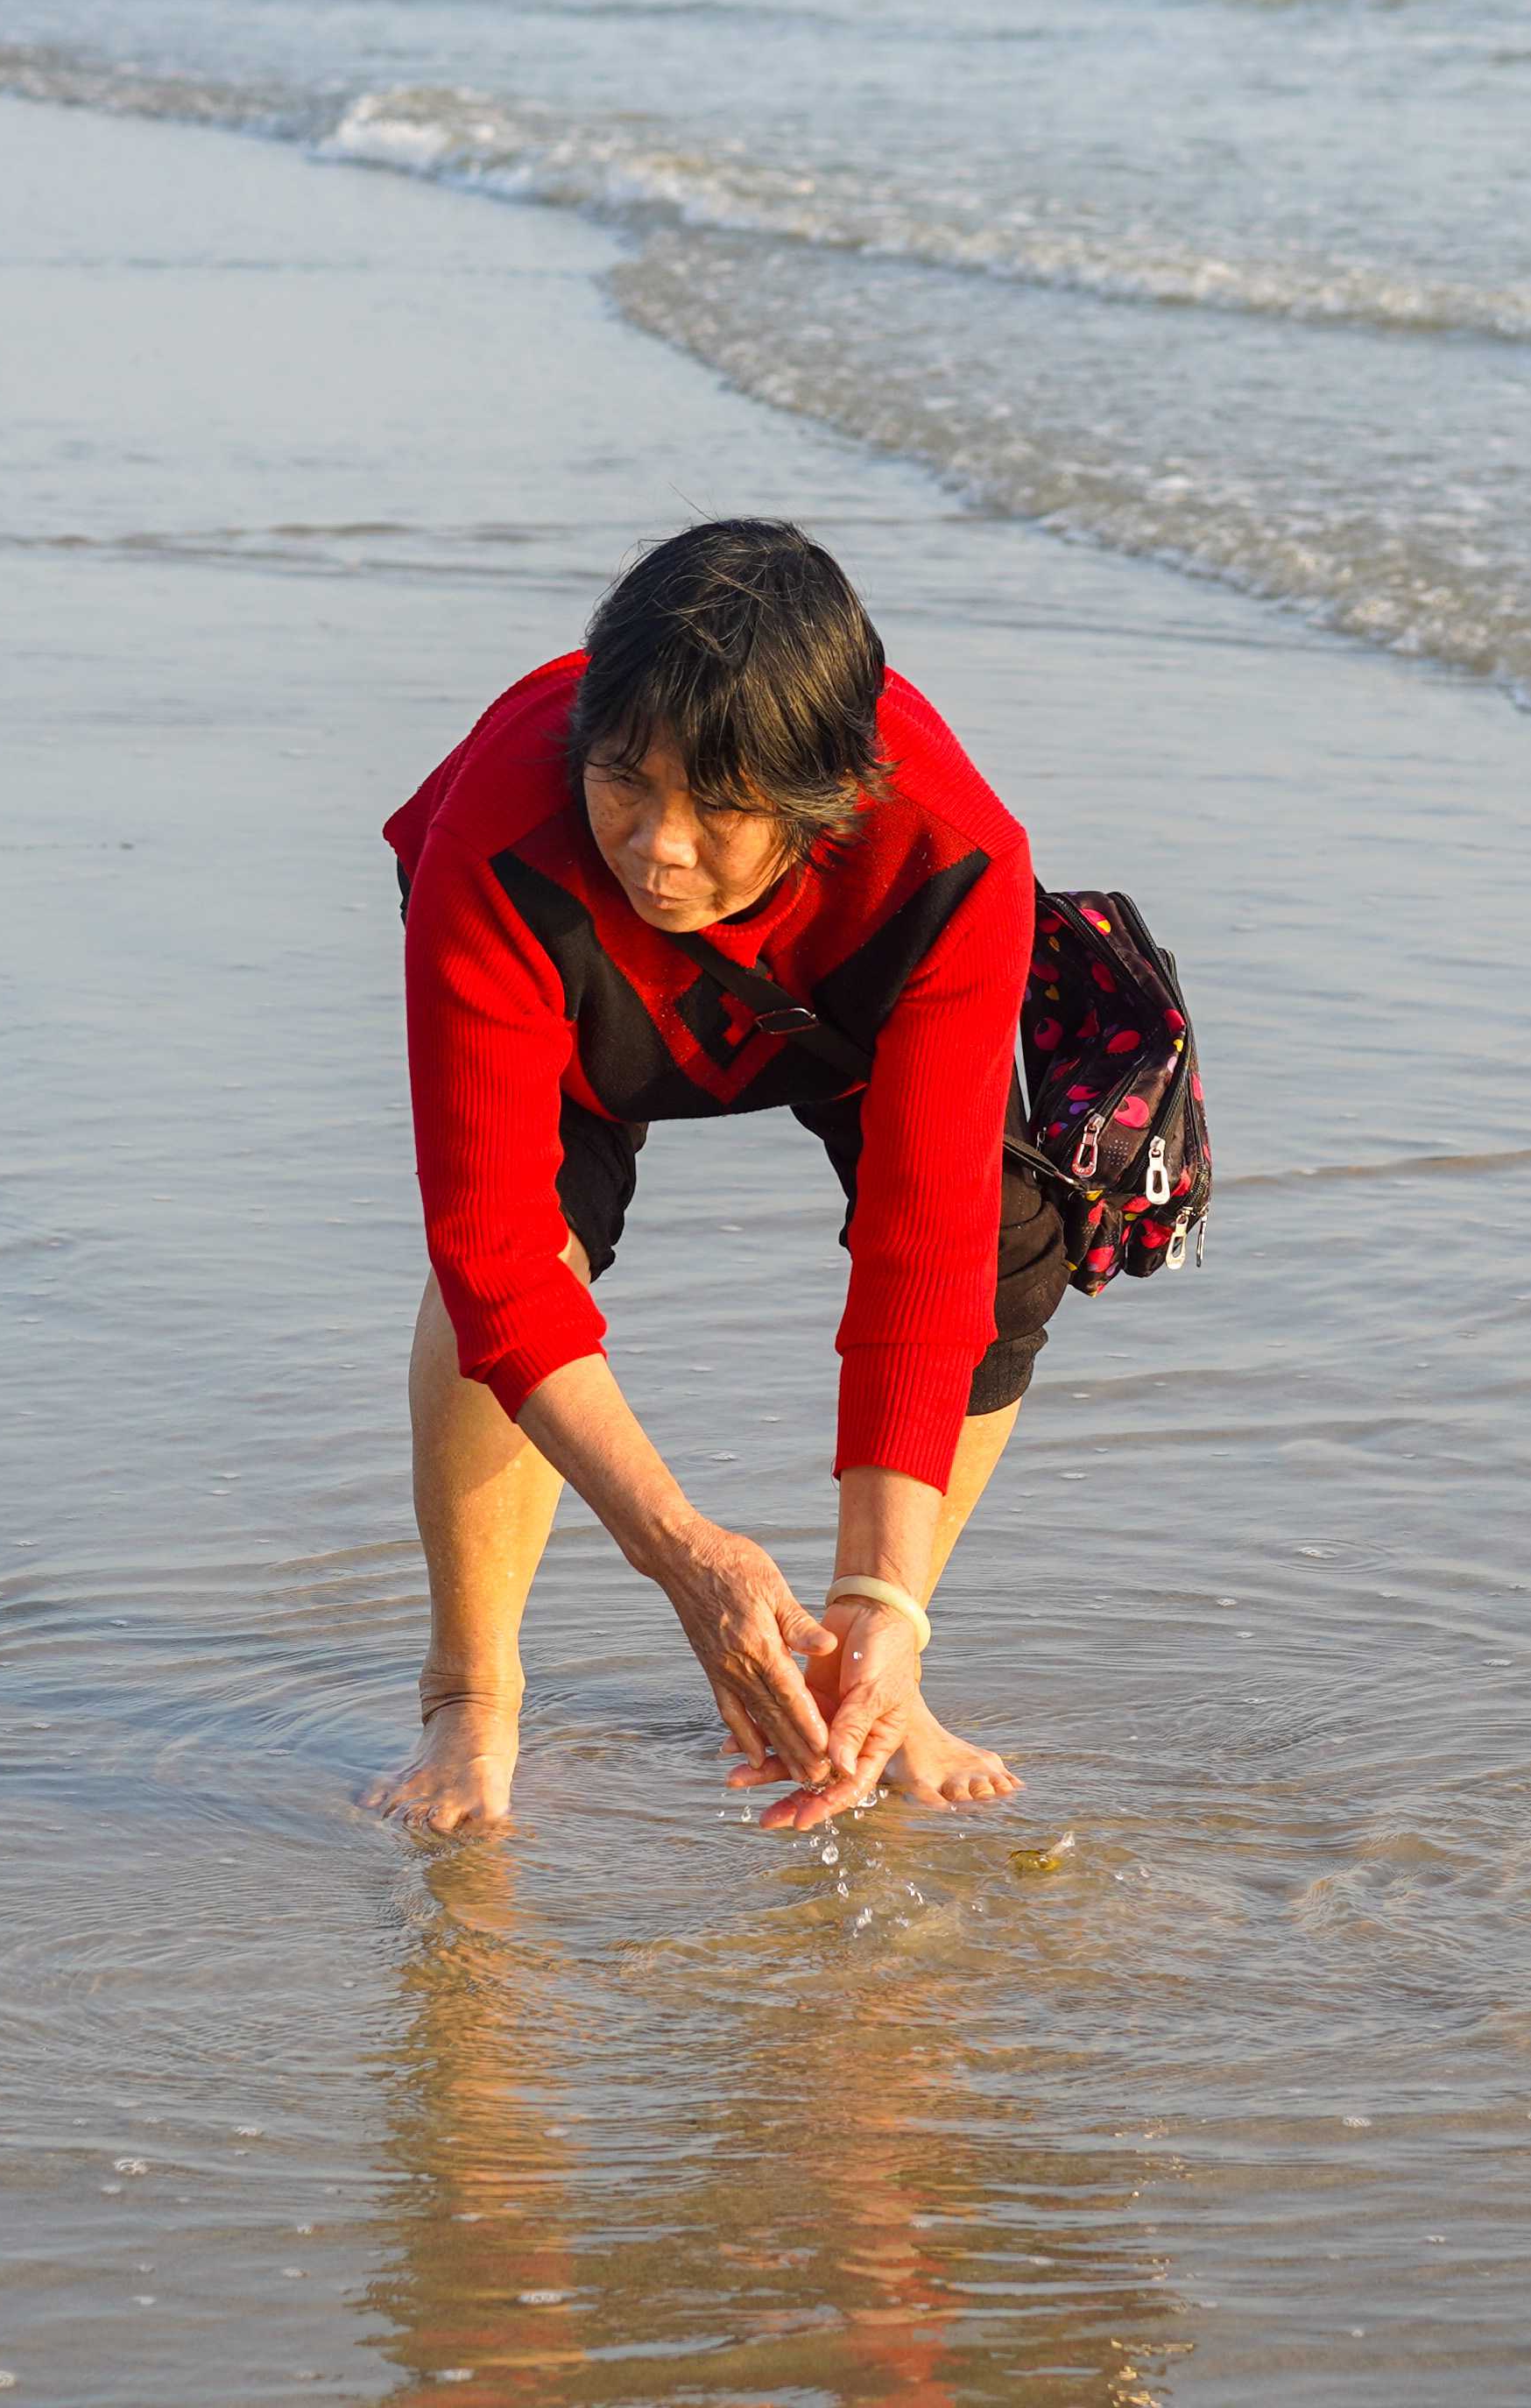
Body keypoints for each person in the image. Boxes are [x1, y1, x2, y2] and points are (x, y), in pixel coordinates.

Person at [369, 519, 1064, 1833]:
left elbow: (925, 1256)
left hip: (829, 995)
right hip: (577, 984)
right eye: (624, 777)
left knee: (1008, 1234)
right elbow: (497, 1262)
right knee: (522, 1253)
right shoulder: (504, 831)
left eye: (723, 805)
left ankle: (878, 1677)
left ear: (828, 798)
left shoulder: (953, 861)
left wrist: (880, 1602)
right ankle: (471, 1696)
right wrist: (687, 1557)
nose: (659, 844)